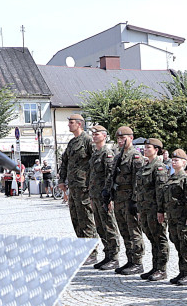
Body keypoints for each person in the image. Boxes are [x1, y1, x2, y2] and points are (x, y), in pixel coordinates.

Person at [57, 114, 99, 264]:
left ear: (80, 124)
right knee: (75, 218)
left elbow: (95, 162)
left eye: (71, 123)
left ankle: (92, 252)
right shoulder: (71, 142)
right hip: (73, 187)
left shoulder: (87, 140)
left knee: (86, 219)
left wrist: (93, 183)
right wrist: (62, 180)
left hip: (85, 187)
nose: (69, 125)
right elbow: (65, 162)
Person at [104, 126, 145, 275]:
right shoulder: (118, 156)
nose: (120, 141)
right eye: (118, 138)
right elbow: (112, 176)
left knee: (134, 231)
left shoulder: (136, 156)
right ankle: (130, 260)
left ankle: (138, 261)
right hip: (119, 198)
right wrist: (107, 193)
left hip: (129, 198)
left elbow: (138, 181)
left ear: (131, 138)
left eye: (123, 138)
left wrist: (135, 200)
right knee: (124, 231)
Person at [135, 138, 170, 280]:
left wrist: (161, 210)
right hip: (145, 209)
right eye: (145, 147)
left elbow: (161, 191)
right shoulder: (145, 166)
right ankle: (155, 267)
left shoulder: (159, 167)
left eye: (148, 147)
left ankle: (161, 269)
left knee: (159, 238)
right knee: (152, 238)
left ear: (156, 150)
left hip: (155, 210)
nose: (145, 149)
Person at [159, 150, 187, 285]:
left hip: (183, 217)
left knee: (185, 245)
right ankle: (182, 271)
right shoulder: (172, 177)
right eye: (173, 160)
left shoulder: (186, 178)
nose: (174, 162)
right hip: (173, 217)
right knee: (178, 243)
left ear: (184, 163)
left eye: (177, 160)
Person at [87, 125, 120, 270]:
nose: (94, 136)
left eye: (97, 134)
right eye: (93, 134)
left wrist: (109, 197)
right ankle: (107, 255)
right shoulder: (95, 153)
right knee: (100, 227)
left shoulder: (107, 153)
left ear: (104, 136)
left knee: (109, 226)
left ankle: (114, 257)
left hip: (104, 196)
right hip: (95, 195)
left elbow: (110, 176)